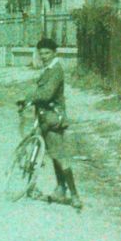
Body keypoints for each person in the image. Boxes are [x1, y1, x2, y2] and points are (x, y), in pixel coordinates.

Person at [24, 35, 81, 208]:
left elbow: (47, 94)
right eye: (41, 53)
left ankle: (75, 195)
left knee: (60, 156)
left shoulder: (56, 70)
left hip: (52, 118)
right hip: (44, 116)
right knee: (54, 154)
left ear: (54, 53)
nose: (44, 56)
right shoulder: (48, 69)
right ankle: (61, 188)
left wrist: (29, 97)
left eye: (47, 53)